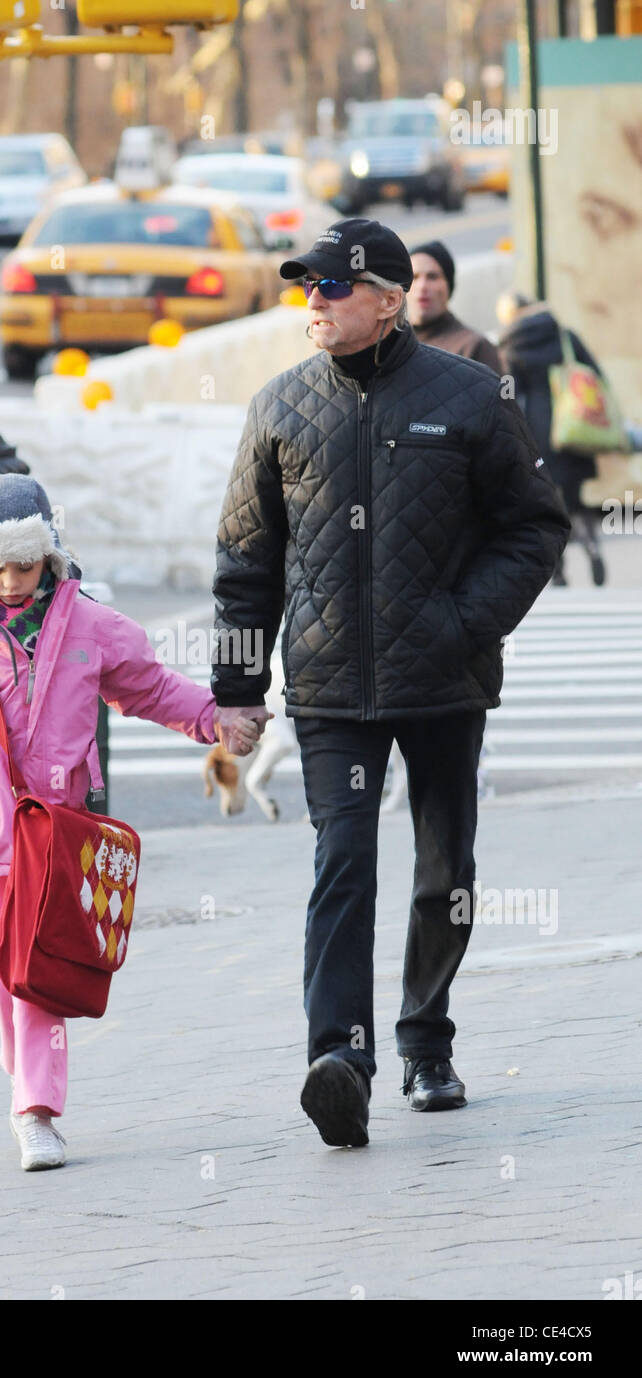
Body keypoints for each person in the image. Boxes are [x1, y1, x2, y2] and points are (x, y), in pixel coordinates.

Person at [211, 218, 570, 1148]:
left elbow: (534, 527)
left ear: (387, 295)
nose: (314, 303)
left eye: (331, 288)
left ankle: (427, 1041)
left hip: (444, 677)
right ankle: (340, 1058)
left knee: (445, 869)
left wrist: (463, 623)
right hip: (329, 686)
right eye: (307, 289)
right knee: (343, 865)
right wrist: (238, 685)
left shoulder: (468, 395)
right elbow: (245, 560)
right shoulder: (279, 407)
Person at [0, 474, 258, 1173]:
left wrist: (217, 718)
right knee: (0, 978)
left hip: (59, 834)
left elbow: (148, 686)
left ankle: (36, 1111)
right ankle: (25, 1085)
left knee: (39, 973)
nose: (10, 579)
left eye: (24, 565)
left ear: (49, 556)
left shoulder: (89, 626)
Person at [497, 291, 607, 586]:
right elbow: (595, 374)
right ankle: (593, 548)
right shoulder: (565, 336)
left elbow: (511, 395)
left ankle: (558, 570)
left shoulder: (512, 345)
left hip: (538, 430)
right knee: (576, 500)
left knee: (547, 506)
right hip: (573, 428)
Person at [408, 239, 502, 372]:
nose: (422, 286)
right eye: (414, 277)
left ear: (449, 285)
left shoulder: (474, 347)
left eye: (432, 277)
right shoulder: (391, 344)